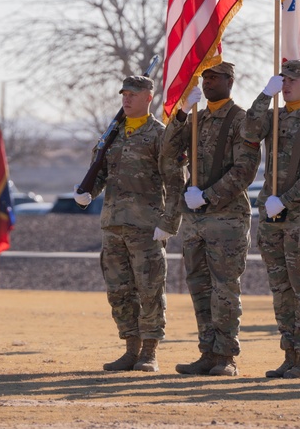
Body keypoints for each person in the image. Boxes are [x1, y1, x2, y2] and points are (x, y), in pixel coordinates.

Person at [74, 75, 182, 372]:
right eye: (124, 94)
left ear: (149, 97)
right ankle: (130, 348)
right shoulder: (113, 133)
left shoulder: (160, 135)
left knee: (149, 288)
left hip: (147, 226)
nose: (127, 98)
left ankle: (149, 352)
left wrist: (169, 222)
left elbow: (175, 182)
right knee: (119, 290)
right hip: (113, 224)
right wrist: (86, 192)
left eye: (133, 94)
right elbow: (100, 173)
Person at [161, 62, 260, 376]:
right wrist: (181, 114)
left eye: (215, 77)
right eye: (205, 77)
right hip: (195, 221)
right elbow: (167, 150)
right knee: (199, 287)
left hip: (226, 218)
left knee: (224, 289)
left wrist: (208, 195)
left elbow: (244, 170)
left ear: (230, 81)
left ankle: (225, 357)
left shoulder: (241, 120)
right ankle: (207, 352)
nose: (208, 83)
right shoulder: (197, 119)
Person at [243, 60, 300, 379]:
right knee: (281, 289)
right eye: (283, 80)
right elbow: (248, 130)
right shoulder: (273, 117)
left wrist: (285, 199)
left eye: (293, 80)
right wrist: (263, 96)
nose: (287, 85)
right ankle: (290, 354)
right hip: (272, 218)